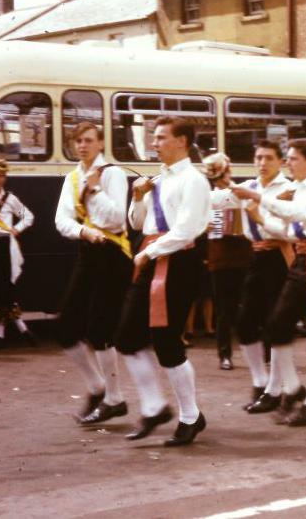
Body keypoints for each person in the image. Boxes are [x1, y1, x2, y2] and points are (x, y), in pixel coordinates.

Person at [115, 117, 210, 447]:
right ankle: (155, 406)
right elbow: (137, 223)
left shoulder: (194, 180)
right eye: (153, 138)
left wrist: (146, 254)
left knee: (167, 341)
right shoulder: (157, 179)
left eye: (160, 138)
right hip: (155, 257)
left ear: (182, 141)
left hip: (178, 262)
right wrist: (137, 197)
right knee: (126, 336)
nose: (153, 143)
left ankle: (189, 416)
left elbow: (185, 231)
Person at [232, 138, 306, 425]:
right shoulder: (299, 189)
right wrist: (260, 217)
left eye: (293, 158)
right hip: (303, 259)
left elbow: (298, 214)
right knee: (277, 325)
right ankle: (293, 388)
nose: (288, 163)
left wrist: (258, 199)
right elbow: (288, 230)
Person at [54, 122, 132, 424]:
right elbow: (61, 220)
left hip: (113, 255)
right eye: (78, 141)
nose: (83, 146)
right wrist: (84, 231)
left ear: (101, 143)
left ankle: (114, 398)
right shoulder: (72, 177)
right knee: (65, 329)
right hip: (88, 251)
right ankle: (98, 387)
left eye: (89, 141)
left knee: (100, 331)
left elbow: (115, 220)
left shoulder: (112, 174)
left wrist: (95, 189)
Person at [211, 141, 292, 410]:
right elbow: (215, 199)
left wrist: (256, 209)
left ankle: (275, 389)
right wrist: (213, 179)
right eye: (258, 157)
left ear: (281, 162)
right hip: (255, 256)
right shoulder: (250, 186)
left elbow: (285, 231)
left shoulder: (289, 189)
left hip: (280, 256)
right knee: (245, 323)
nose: (262, 163)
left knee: (277, 325)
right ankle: (261, 382)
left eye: (269, 158)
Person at [202, 152, 254, 372]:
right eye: (221, 174)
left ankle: (258, 350)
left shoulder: (241, 191)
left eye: (225, 172)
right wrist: (206, 225)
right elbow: (198, 222)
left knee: (250, 305)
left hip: (244, 253)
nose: (224, 177)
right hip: (220, 256)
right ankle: (225, 354)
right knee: (224, 309)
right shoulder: (208, 198)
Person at [0, 159, 34, 346]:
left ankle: (1, 332)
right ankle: (19, 326)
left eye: (3, 175)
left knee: (5, 289)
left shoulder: (9, 198)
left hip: (5, 247)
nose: (0, 179)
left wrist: (16, 229)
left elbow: (28, 216)